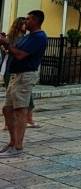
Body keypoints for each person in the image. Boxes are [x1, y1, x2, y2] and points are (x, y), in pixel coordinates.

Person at [0, 10, 47, 156]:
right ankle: (13, 142)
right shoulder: (27, 37)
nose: (25, 21)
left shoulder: (39, 37)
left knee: (20, 111)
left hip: (25, 75)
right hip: (16, 75)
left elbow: (20, 55)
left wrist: (7, 43)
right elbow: (15, 51)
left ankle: (18, 147)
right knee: (7, 109)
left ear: (36, 21)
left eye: (28, 19)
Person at [0, 18, 38, 130]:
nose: (26, 25)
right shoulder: (12, 38)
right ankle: (9, 123)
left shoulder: (26, 39)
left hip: (21, 70)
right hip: (10, 67)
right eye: (24, 23)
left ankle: (28, 119)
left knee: (27, 96)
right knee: (10, 96)